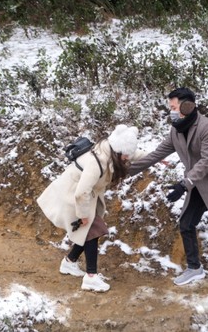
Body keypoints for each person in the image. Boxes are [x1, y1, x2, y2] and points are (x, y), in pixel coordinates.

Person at [129, 87, 208, 289]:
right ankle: (194, 267)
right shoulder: (176, 130)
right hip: (197, 183)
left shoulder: (207, 127)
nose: (171, 111)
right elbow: (157, 154)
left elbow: (207, 161)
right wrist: (125, 170)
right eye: (170, 107)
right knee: (186, 224)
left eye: (173, 107)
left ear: (187, 105)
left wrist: (184, 184)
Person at [37, 124, 143, 292]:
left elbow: (132, 153)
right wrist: (83, 215)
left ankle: (69, 262)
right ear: (118, 151)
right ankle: (91, 277)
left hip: (83, 197)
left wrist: (157, 156)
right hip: (72, 197)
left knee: (86, 232)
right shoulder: (96, 162)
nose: (127, 158)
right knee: (92, 231)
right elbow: (81, 192)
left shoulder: (111, 149)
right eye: (125, 156)